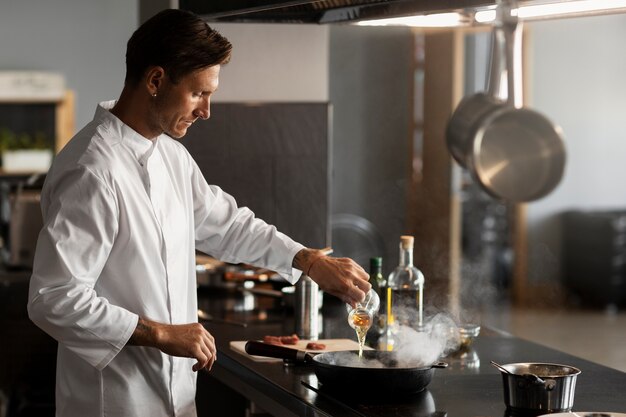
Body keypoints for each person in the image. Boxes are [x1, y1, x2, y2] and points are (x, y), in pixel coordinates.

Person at [27, 9, 370, 417]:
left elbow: (226, 224)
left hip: (176, 395)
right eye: (198, 93)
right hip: (114, 401)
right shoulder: (92, 170)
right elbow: (53, 298)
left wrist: (307, 259)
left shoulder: (170, 154)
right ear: (155, 81)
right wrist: (159, 333)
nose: (206, 110)